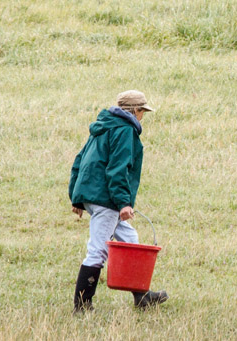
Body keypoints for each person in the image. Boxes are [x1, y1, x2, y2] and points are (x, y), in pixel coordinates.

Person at [69, 90, 168, 314]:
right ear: (134, 111)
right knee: (97, 251)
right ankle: (82, 307)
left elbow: (80, 160)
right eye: (142, 111)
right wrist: (124, 203)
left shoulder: (102, 126)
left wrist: (77, 197)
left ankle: (141, 296)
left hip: (94, 196)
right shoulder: (125, 130)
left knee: (130, 239)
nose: (143, 116)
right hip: (107, 199)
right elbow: (117, 169)